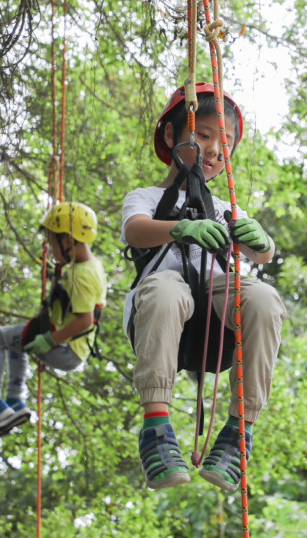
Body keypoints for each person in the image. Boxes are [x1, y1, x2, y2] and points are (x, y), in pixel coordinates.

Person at [121, 83, 287, 491]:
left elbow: (259, 253)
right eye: (204, 135)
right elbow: (136, 232)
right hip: (163, 307)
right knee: (166, 288)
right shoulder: (147, 197)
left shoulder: (227, 207)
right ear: (171, 137)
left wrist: (260, 241)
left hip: (215, 317)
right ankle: (157, 429)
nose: (214, 150)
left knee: (264, 297)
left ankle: (238, 431)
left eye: (224, 142)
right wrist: (181, 227)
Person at [0, 202, 107, 436]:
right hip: (72, 347)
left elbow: (85, 320)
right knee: (16, 342)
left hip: (65, 348)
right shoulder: (92, 267)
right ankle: (14, 402)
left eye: (53, 243)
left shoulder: (79, 275)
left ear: (69, 242)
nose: (50, 249)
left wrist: (50, 340)